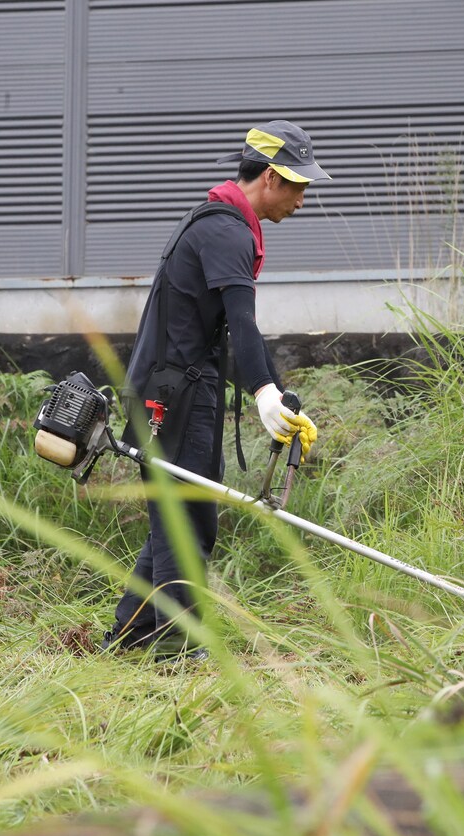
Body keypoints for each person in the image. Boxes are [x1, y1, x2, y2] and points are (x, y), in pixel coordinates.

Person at [101, 121, 330, 660]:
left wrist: (276, 394)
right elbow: (242, 324)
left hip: (167, 389)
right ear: (271, 177)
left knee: (179, 517)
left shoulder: (216, 222)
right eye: (299, 186)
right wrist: (262, 393)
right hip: (177, 395)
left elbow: (235, 331)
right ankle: (177, 649)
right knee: (187, 521)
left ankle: (132, 636)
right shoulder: (228, 232)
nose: (302, 200)